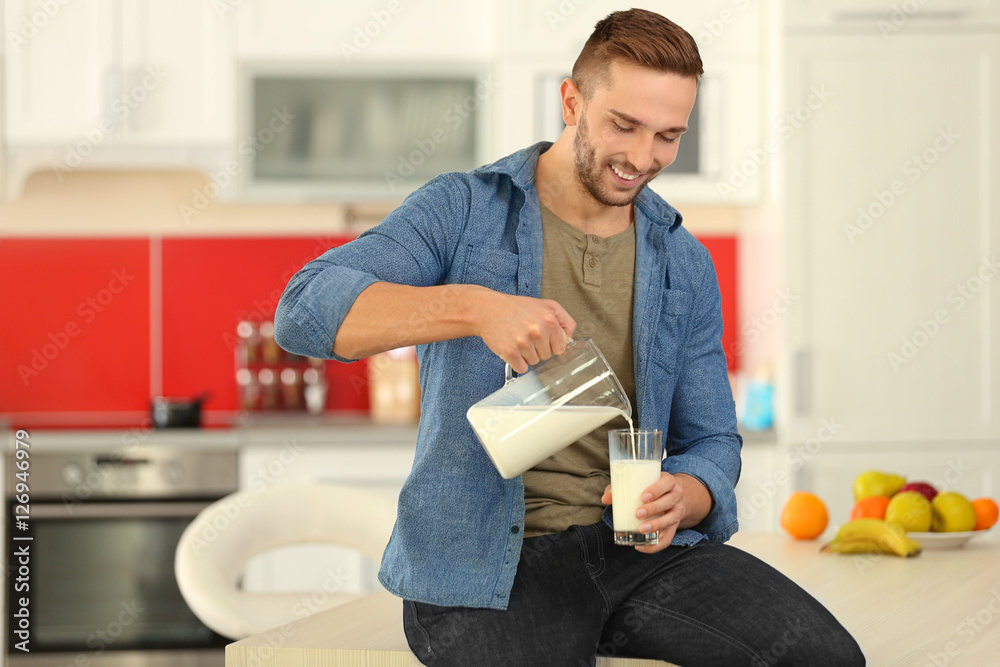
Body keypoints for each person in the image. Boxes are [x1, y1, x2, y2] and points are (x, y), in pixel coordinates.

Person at [274, 8, 865, 666]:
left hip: (639, 553)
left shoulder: (683, 261)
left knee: (824, 657)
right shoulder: (466, 210)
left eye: (668, 136)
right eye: (624, 125)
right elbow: (304, 309)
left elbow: (713, 441)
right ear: (571, 100)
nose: (643, 158)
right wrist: (475, 307)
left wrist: (688, 493)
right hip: (490, 568)